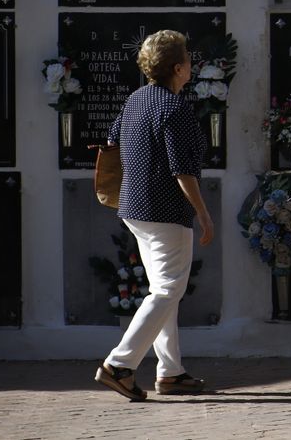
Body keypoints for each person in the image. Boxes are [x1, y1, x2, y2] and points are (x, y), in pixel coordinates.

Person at [94, 30, 215, 402]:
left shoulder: (136, 99)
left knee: (164, 290)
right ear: (178, 68)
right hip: (165, 211)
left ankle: (171, 371)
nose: (191, 63)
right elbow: (182, 170)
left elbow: (113, 140)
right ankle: (119, 365)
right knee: (167, 290)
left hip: (134, 208)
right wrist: (204, 214)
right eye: (188, 58)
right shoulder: (174, 108)